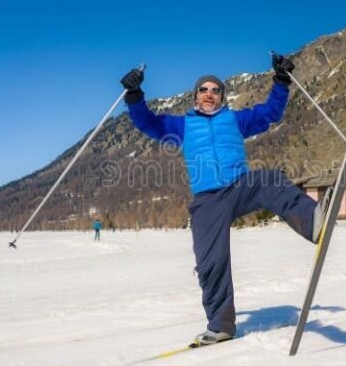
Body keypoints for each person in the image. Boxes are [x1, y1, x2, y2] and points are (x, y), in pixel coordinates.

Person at [120, 54, 332, 346]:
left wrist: (282, 81)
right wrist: (134, 95)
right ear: (196, 96)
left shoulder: (235, 119)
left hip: (239, 186)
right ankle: (220, 326)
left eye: (215, 90)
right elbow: (148, 123)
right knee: (211, 263)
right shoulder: (182, 125)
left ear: (222, 97)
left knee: (270, 179)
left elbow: (269, 113)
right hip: (207, 199)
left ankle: (313, 222)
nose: (209, 94)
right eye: (204, 90)